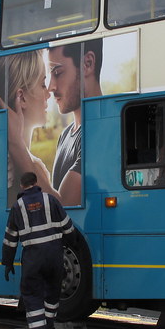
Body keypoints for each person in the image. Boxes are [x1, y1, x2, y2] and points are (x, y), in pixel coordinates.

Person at [1, 171, 78, 329]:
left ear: (22, 186)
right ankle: (48, 327)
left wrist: (8, 262)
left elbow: (10, 238)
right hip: (54, 256)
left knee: (32, 294)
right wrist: (71, 244)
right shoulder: (51, 200)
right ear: (36, 183)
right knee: (52, 293)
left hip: (33, 258)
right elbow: (68, 227)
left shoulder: (18, 206)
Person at [0, 50, 53, 200]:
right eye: (43, 84)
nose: (48, 94)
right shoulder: (8, 168)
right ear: (22, 98)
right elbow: (53, 208)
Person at [47, 39, 102, 206]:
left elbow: (62, 207)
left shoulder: (101, 130)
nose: (51, 86)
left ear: (87, 64)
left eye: (58, 73)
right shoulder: (65, 135)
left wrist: (18, 148)